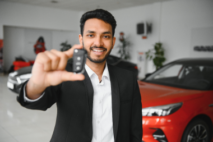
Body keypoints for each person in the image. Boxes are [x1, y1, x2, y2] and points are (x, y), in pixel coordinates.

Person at [17, 9, 142, 142]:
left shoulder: (127, 78)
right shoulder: (64, 74)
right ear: (81, 39)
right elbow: (36, 103)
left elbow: (135, 128)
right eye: (91, 35)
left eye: (105, 36)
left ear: (113, 41)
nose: (98, 43)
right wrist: (35, 86)